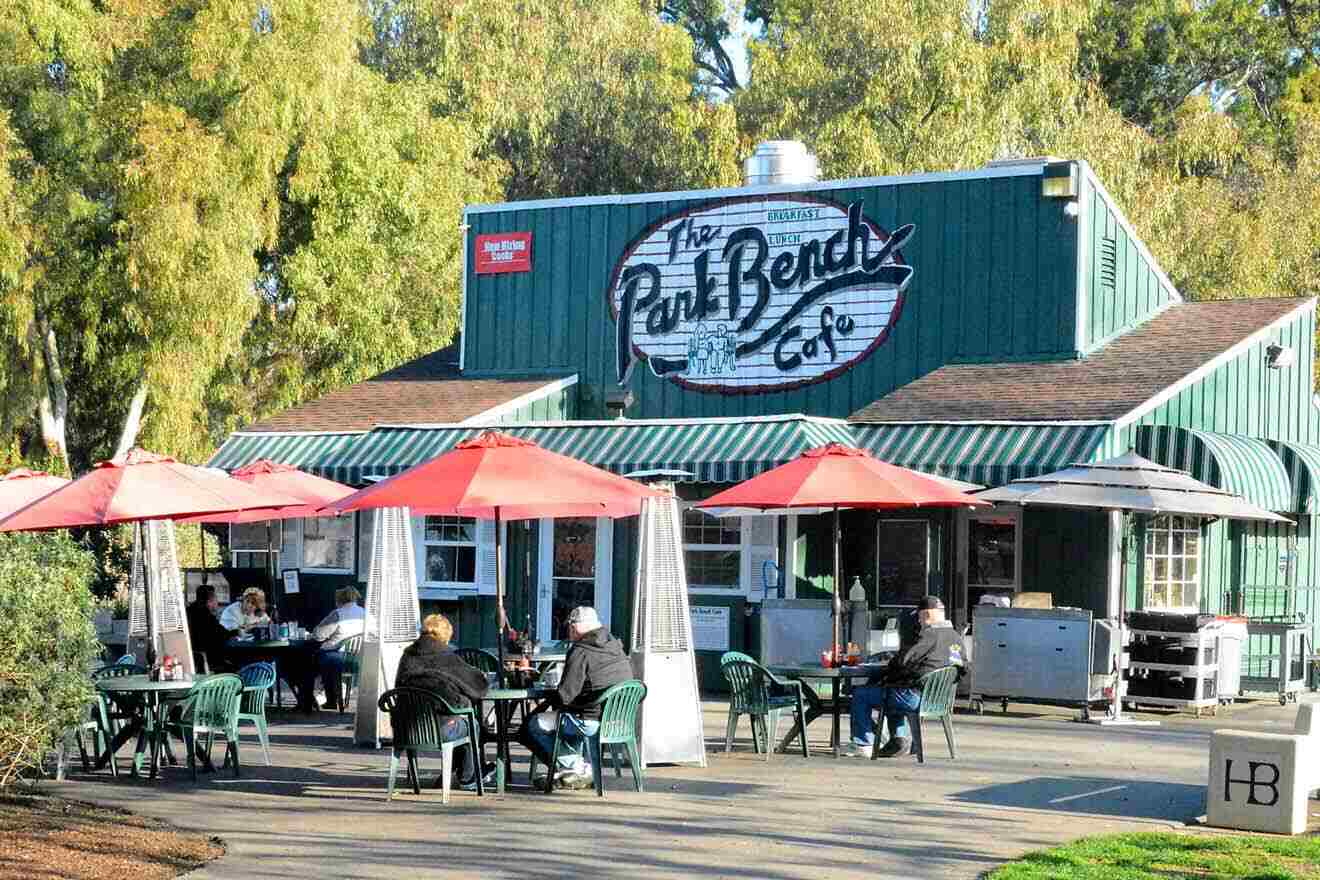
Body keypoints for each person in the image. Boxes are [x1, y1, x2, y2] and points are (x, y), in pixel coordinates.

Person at [522, 605, 632, 789]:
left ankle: (577, 768)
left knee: (533, 725)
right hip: (617, 718)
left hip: (590, 720)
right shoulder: (615, 645)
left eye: (570, 627)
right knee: (564, 717)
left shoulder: (581, 650)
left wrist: (546, 698)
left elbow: (565, 695)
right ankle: (571, 772)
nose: (569, 631)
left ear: (574, 627)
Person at [847, 596, 964, 758]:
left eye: (919, 616)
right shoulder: (955, 637)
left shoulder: (929, 635)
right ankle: (898, 740)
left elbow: (903, 661)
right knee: (894, 686)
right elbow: (961, 668)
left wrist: (892, 663)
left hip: (916, 698)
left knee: (861, 694)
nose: (918, 621)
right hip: (939, 699)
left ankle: (863, 743)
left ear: (926, 615)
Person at [395, 613, 494, 790]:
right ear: (445, 635)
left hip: (406, 729)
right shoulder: (445, 656)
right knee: (471, 725)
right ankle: (468, 777)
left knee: (458, 718)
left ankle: (455, 771)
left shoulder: (408, 656)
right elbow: (477, 686)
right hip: (440, 730)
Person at [311, 587, 366, 708]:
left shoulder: (338, 613)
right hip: (358, 658)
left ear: (339, 600)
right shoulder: (364, 612)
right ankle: (329, 694)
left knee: (314, 658)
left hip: (338, 656)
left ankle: (325, 698)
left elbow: (318, 635)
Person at [186, 584, 233, 673]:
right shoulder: (207, 616)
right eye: (216, 598)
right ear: (209, 601)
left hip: (193, 658)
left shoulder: (189, 611)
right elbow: (222, 634)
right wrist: (237, 631)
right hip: (209, 661)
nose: (217, 602)